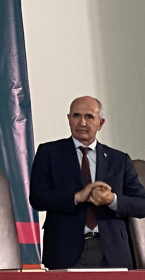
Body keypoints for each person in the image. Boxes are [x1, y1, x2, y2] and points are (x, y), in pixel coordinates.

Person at [29, 96, 145, 269]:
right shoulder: (49, 153)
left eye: (89, 117)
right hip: (64, 249)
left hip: (112, 251)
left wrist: (112, 200)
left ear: (100, 123)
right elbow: (37, 198)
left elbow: (141, 204)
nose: (82, 122)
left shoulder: (119, 160)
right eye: (76, 116)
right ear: (68, 119)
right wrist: (76, 197)